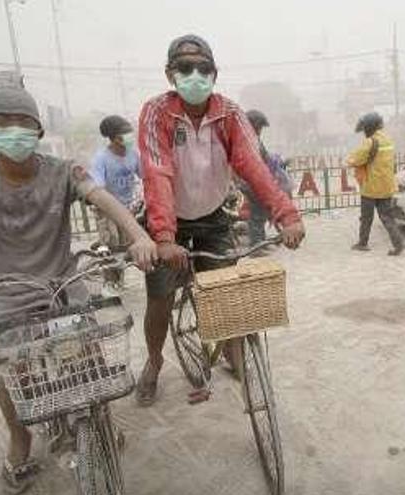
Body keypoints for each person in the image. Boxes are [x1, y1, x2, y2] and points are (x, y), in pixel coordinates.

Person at [0, 77, 157, 493]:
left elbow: (103, 199)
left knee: (90, 355)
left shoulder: (63, 171)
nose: (14, 129)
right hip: (11, 292)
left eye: (23, 121)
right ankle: (20, 440)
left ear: (39, 130)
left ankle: (99, 417)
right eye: (2, 121)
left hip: (66, 283)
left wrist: (138, 236)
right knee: (17, 374)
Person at [136, 34, 305, 405]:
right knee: (161, 297)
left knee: (227, 290)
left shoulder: (229, 113)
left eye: (203, 68)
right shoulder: (156, 112)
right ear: (170, 74)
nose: (194, 74)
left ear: (214, 73)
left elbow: (253, 166)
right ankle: (153, 361)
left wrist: (286, 214)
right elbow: (157, 171)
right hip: (169, 219)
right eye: (185, 68)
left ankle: (232, 350)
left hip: (212, 214)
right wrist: (163, 237)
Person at [89, 115, 143, 288]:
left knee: (126, 246)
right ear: (113, 138)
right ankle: (111, 283)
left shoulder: (134, 154)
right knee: (111, 246)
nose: (129, 136)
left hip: (128, 209)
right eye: (124, 134)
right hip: (107, 210)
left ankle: (120, 279)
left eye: (129, 132)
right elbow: (98, 187)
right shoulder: (101, 159)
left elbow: (145, 176)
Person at [347, 112, 405, 255]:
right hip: (387, 186)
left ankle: (362, 243)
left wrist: (350, 159)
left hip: (371, 187)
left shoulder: (370, 142)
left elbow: (355, 160)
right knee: (387, 217)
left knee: (366, 217)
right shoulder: (388, 139)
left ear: (369, 127)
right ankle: (399, 243)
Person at [242, 109, 294, 247]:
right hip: (251, 183)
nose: (260, 130)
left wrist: (279, 162)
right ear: (251, 125)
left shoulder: (254, 139)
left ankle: (259, 242)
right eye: (258, 127)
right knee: (257, 213)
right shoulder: (246, 140)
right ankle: (256, 244)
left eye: (261, 128)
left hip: (256, 182)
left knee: (260, 212)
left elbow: (266, 159)